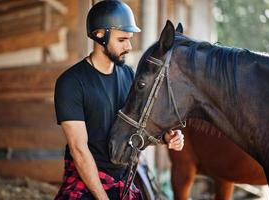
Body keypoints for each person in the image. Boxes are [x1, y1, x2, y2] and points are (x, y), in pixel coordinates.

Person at [54, 1, 184, 199]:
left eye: (130, 39)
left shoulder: (129, 76)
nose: (129, 46)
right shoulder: (71, 82)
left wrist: (167, 137)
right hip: (86, 181)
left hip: (125, 181)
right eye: (122, 39)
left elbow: (138, 127)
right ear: (99, 35)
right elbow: (78, 150)